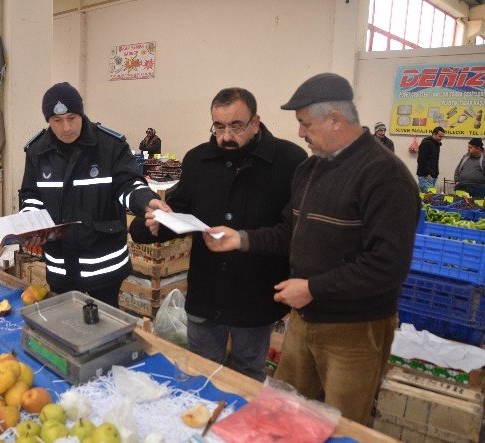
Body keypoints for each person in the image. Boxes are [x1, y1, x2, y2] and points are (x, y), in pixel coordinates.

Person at [203, 73, 420, 424]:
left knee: (341, 421)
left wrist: (313, 288)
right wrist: (242, 239)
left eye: (305, 124)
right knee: (285, 413)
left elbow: (388, 265)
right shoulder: (310, 170)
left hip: (355, 329)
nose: (301, 133)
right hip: (304, 320)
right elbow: (291, 231)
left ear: (335, 119)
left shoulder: (385, 177)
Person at [129, 87, 307, 382]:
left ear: (256, 121)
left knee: (247, 378)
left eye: (236, 126)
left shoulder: (289, 161)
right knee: (199, 375)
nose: (226, 136)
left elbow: (292, 232)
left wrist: (245, 239)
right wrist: (152, 223)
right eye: (219, 126)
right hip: (206, 295)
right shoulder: (199, 160)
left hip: (256, 298)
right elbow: (178, 209)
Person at [19, 82, 165, 307]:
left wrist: (146, 201)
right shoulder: (38, 151)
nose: (66, 127)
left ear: (82, 113)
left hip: (103, 264)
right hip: (60, 264)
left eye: (72, 118)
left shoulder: (109, 145)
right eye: (57, 121)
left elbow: (127, 184)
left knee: (105, 328)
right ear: (48, 121)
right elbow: (31, 194)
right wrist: (31, 218)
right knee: (66, 326)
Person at [417, 126, 445, 192]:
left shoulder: (436, 144)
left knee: (425, 197)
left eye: (442, 136)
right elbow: (421, 161)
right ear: (434, 134)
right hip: (426, 176)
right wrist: (427, 174)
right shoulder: (426, 144)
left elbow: (434, 161)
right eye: (440, 136)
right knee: (427, 199)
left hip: (433, 175)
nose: (441, 138)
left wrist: (436, 174)